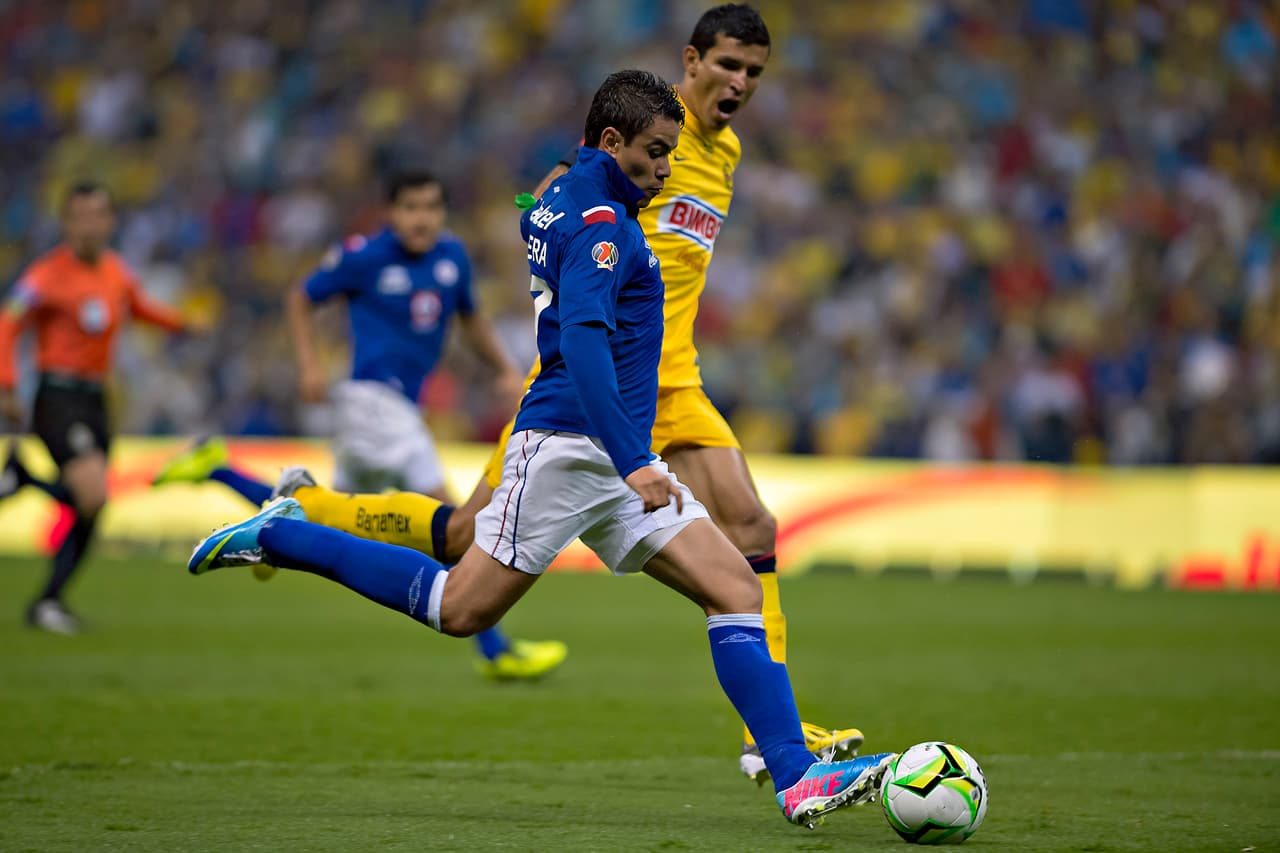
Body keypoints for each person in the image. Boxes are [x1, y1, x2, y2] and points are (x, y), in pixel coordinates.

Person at [186, 69, 894, 828]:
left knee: (736, 586)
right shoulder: (602, 225)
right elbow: (585, 341)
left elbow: (533, 209)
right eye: (655, 154)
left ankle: (794, 774)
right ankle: (282, 533)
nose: (665, 169)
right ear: (612, 142)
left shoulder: (560, 197)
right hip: (569, 444)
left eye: (673, 155)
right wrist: (635, 459)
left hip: (609, 445)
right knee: (459, 606)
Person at [153, 170, 566, 681]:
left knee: (325, 509)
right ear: (391, 213)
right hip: (373, 401)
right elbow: (301, 297)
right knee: (456, 528)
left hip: (396, 409)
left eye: (432, 208)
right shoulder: (365, 255)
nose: (423, 219)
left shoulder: (451, 258)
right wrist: (308, 364)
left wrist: (503, 368)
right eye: (411, 208)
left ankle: (222, 472)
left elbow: (470, 317)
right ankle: (495, 648)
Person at [0, 181, 199, 634]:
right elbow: (8, 323)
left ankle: (49, 601)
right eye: (80, 217)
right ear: (66, 223)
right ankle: (26, 482)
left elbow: (140, 308)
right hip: (58, 394)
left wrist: (181, 323)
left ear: (110, 222)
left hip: (95, 398)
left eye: (98, 216)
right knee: (92, 494)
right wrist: (8, 385)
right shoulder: (46, 276)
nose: (89, 226)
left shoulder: (115, 270)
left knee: (92, 507)